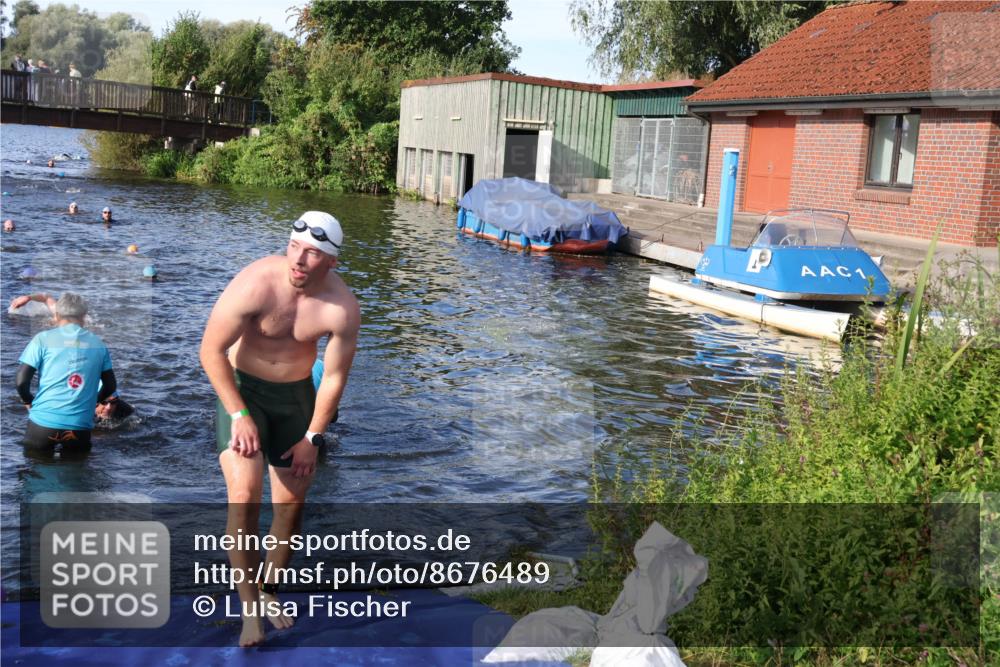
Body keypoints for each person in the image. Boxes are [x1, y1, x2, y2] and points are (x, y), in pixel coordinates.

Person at [199, 210, 359, 647]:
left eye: (312, 253)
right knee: (244, 498)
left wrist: (313, 437)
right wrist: (239, 415)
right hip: (244, 393)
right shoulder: (256, 283)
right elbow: (211, 350)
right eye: (294, 247)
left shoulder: (342, 308)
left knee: (289, 509)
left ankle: (269, 591)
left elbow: (334, 378)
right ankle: (250, 610)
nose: (299, 260)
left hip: (295, 401)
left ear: (331, 262)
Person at [15, 293, 116, 455]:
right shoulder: (99, 344)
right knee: (75, 469)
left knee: (35, 467)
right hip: (79, 427)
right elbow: (110, 386)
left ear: (56, 315)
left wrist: (28, 402)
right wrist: (93, 402)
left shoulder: (42, 339)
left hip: (42, 425)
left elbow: (21, 382)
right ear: (84, 316)